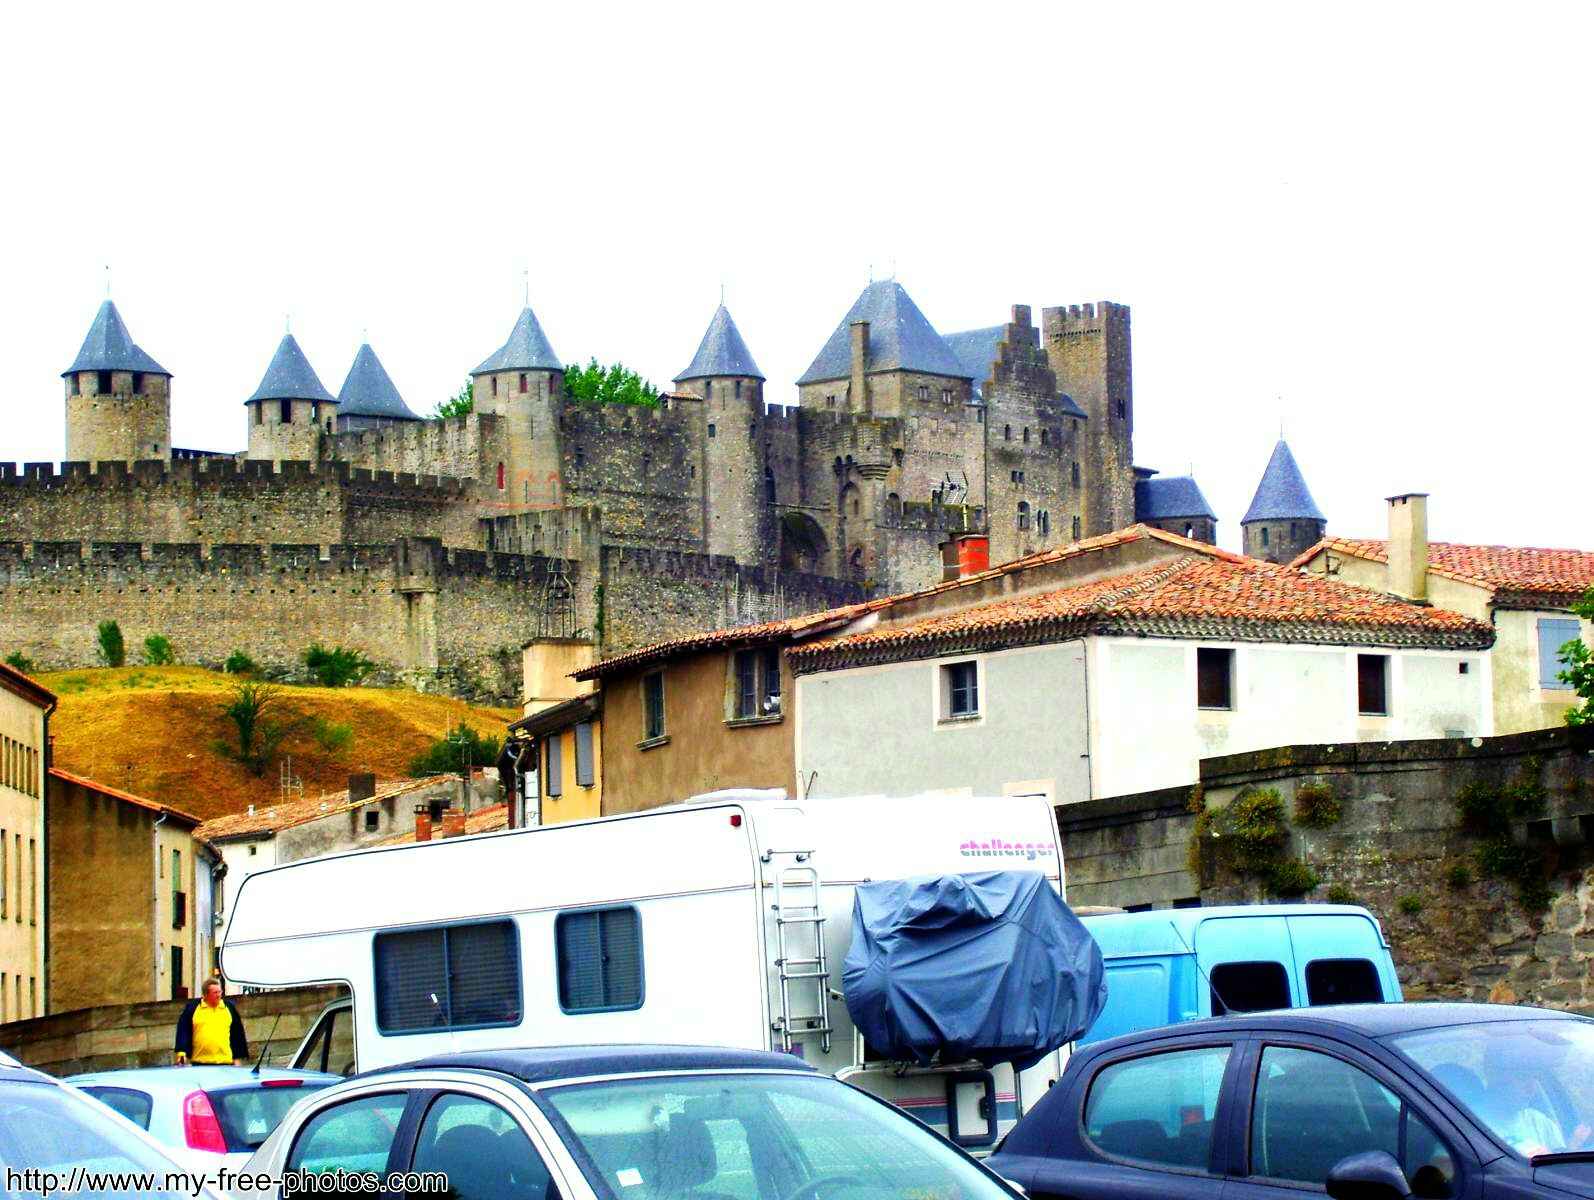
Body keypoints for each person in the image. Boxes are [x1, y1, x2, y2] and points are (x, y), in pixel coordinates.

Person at [174, 976, 249, 1067]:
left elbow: (237, 1034)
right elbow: (183, 1031)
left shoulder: (229, 1008)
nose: (219, 995)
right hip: (199, 1063)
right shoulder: (193, 1008)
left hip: (225, 1063)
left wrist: (237, 1058)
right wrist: (182, 1053)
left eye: (220, 992)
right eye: (215, 992)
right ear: (205, 995)